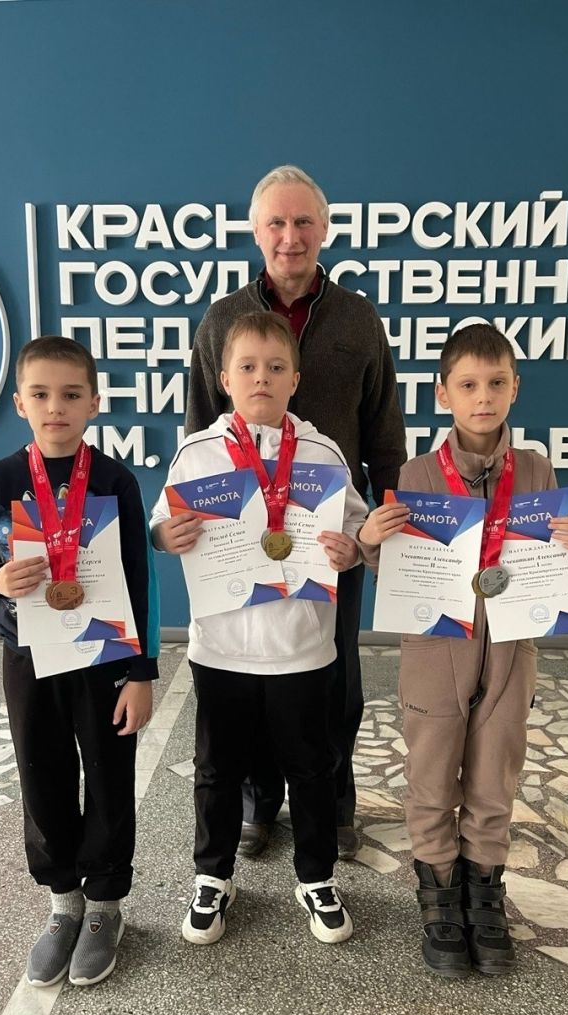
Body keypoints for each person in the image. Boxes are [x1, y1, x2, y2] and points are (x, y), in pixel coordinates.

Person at [358, 323, 568, 979]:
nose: (483, 397)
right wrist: (372, 540)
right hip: (436, 651)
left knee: (496, 774)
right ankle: (439, 891)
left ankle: (484, 890)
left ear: (515, 387)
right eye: (468, 385)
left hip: (512, 650)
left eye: (496, 383)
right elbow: (396, 571)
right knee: (433, 776)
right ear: (444, 394)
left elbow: (557, 554)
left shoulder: (537, 470)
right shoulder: (415, 475)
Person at [186, 164, 406, 860]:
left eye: (303, 221)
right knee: (251, 672)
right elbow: (199, 429)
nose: (290, 236)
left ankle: (331, 801)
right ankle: (259, 800)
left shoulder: (358, 318)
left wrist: (387, 526)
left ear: (325, 228)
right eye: (276, 223)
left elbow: (384, 432)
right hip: (242, 537)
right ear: (256, 232)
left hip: (330, 535)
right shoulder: (221, 320)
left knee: (334, 676)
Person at [151, 311, 367, 945]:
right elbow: (160, 523)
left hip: (303, 647)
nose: (261, 378)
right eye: (247, 367)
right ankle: (212, 876)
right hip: (222, 648)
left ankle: (317, 877)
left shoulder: (324, 453)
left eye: (276, 367)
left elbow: (355, 529)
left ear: (295, 379)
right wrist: (166, 535)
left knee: (313, 768)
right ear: (225, 379)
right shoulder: (197, 453)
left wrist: (351, 548)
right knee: (216, 769)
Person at [0, 335, 160, 987]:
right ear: (19, 403)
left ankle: (104, 907)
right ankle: (64, 902)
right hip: (28, 656)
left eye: (71, 394)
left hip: (102, 657)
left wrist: (141, 672)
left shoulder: (115, 481)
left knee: (108, 777)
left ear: (94, 402)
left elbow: (139, 579)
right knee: (41, 777)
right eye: (40, 394)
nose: (56, 407)